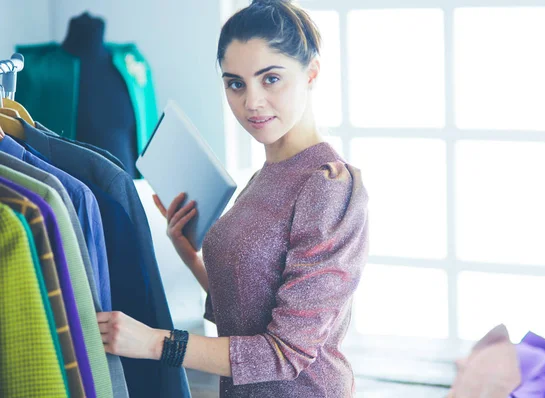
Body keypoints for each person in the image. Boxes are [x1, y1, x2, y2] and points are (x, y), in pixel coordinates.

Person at [96, 0, 369, 396]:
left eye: (270, 79)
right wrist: (190, 255)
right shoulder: (265, 175)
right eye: (235, 83)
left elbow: (285, 352)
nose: (251, 102)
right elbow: (249, 308)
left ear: (311, 73)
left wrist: (154, 343)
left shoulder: (330, 187)